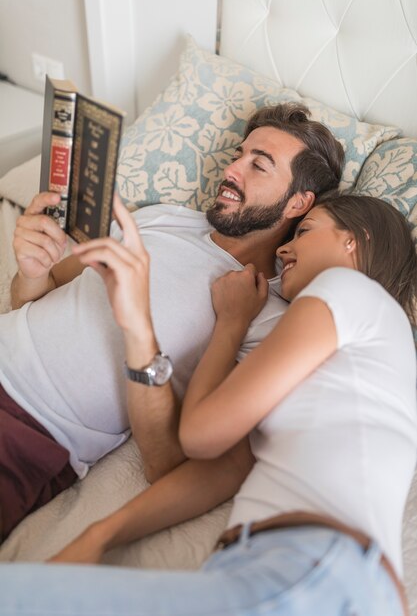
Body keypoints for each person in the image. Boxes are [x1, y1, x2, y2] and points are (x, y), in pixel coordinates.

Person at [1, 193, 415, 616]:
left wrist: (229, 325)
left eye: (305, 231)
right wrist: (98, 538)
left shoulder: (346, 289)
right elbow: (223, 467)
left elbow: (200, 436)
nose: (285, 249)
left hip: (314, 570)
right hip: (281, 568)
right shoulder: (336, 359)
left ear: (355, 241)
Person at [0, 102, 344, 541]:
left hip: (30, 429)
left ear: (298, 202)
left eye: (258, 165)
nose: (232, 170)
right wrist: (30, 271)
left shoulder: (266, 317)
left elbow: (167, 462)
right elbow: (40, 292)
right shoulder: (163, 218)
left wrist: (138, 327)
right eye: (238, 155)